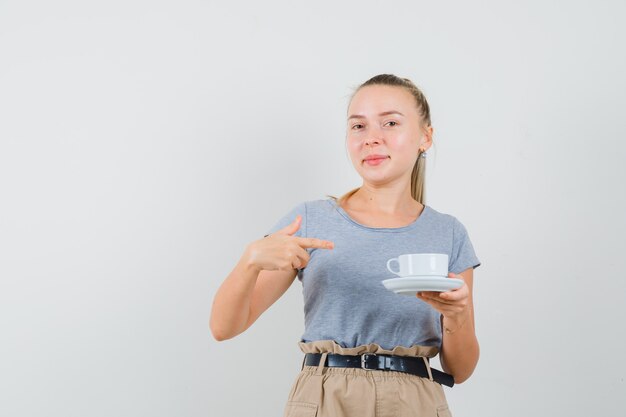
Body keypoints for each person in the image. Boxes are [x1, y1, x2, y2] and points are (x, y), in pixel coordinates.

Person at [210, 73, 481, 417]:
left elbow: (461, 370)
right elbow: (223, 327)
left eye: (390, 123)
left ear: (425, 137)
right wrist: (248, 262)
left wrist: (458, 316)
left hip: (415, 401)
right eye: (359, 127)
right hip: (326, 398)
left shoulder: (448, 233)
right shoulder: (310, 221)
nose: (372, 139)